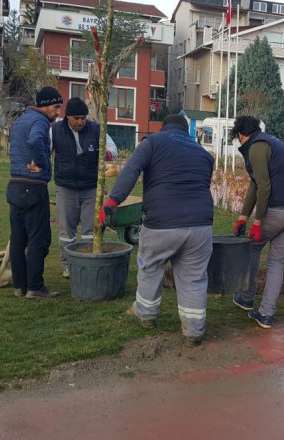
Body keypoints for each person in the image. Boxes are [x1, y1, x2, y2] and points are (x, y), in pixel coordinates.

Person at [100, 114, 214, 347]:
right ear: (186, 132)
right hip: (200, 225)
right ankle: (194, 331)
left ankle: (146, 314)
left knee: (151, 266)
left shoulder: (152, 142)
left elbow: (131, 170)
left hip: (162, 222)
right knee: (194, 277)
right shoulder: (203, 154)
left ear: (163, 128)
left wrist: (113, 201)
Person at [230, 115, 284, 329]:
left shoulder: (256, 147)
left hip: (280, 210)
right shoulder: (272, 142)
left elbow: (263, 186)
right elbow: (256, 185)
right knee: (276, 261)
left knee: (253, 247)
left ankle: (246, 298)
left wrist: (256, 222)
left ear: (241, 134)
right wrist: (243, 216)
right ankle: (266, 314)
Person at [50, 97, 118, 279]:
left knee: (90, 228)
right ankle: (67, 265)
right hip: (66, 187)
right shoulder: (55, 131)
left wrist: (107, 153)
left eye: (83, 118)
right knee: (66, 231)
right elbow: (45, 151)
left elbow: (112, 148)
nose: (80, 121)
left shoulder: (96, 129)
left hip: (91, 188)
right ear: (67, 118)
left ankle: (89, 260)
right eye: (76, 118)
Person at [6, 86, 63, 299]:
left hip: (15, 185)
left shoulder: (21, 119)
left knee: (18, 239)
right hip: (33, 186)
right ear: (45, 105)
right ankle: (35, 287)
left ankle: (19, 286)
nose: (58, 112)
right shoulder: (39, 121)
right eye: (56, 107)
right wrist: (42, 163)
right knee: (39, 239)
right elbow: (35, 141)